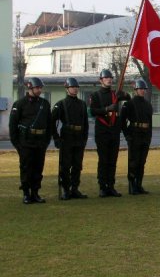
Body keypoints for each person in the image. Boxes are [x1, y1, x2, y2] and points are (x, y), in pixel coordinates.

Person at [10, 77, 52, 204]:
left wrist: (46, 141)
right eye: (37, 88)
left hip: (40, 142)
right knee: (26, 168)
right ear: (30, 88)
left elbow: (49, 124)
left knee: (38, 168)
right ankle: (26, 194)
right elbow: (13, 126)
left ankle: (35, 193)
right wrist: (18, 145)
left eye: (40, 88)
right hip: (26, 142)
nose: (39, 90)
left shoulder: (44, 104)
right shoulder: (20, 104)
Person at [88, 69, 130, 197]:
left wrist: (125, 94)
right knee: (103, 160)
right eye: (106, 78)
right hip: (102, 131)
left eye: (110, 78)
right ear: (101, 80)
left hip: (114, 131)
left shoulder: (115, 94)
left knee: (113, 160)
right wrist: (106, 109)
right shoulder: (95, 95)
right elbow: (92, 111)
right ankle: (102, 186)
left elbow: (129, 98)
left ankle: (111, 186)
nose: (109, 80)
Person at [51, 77, 89, 200]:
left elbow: (85, 123)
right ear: (67, 89)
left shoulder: (82, 104)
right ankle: (66, 190)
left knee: (77, 165)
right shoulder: (61, 104)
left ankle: (75, 189)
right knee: (65, 165)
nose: (75, 89)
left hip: (79, 137)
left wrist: (84, 139)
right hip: (67, 137)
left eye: (76, 87)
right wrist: (56, 137)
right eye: (72, 87)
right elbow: (52, 122)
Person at [120, 79, 153, 195]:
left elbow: (150, 123)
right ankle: (132, 185)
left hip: (145, 135)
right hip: (134, 134)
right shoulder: (129, 104)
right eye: (140, 89)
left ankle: (139, 185)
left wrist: (149, 137)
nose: (142, 91)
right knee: (133, 161)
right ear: (135, 90)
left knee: (142, 162)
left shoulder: (148, 105)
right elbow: (122, 121)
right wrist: (127, 135)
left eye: (144, 89)